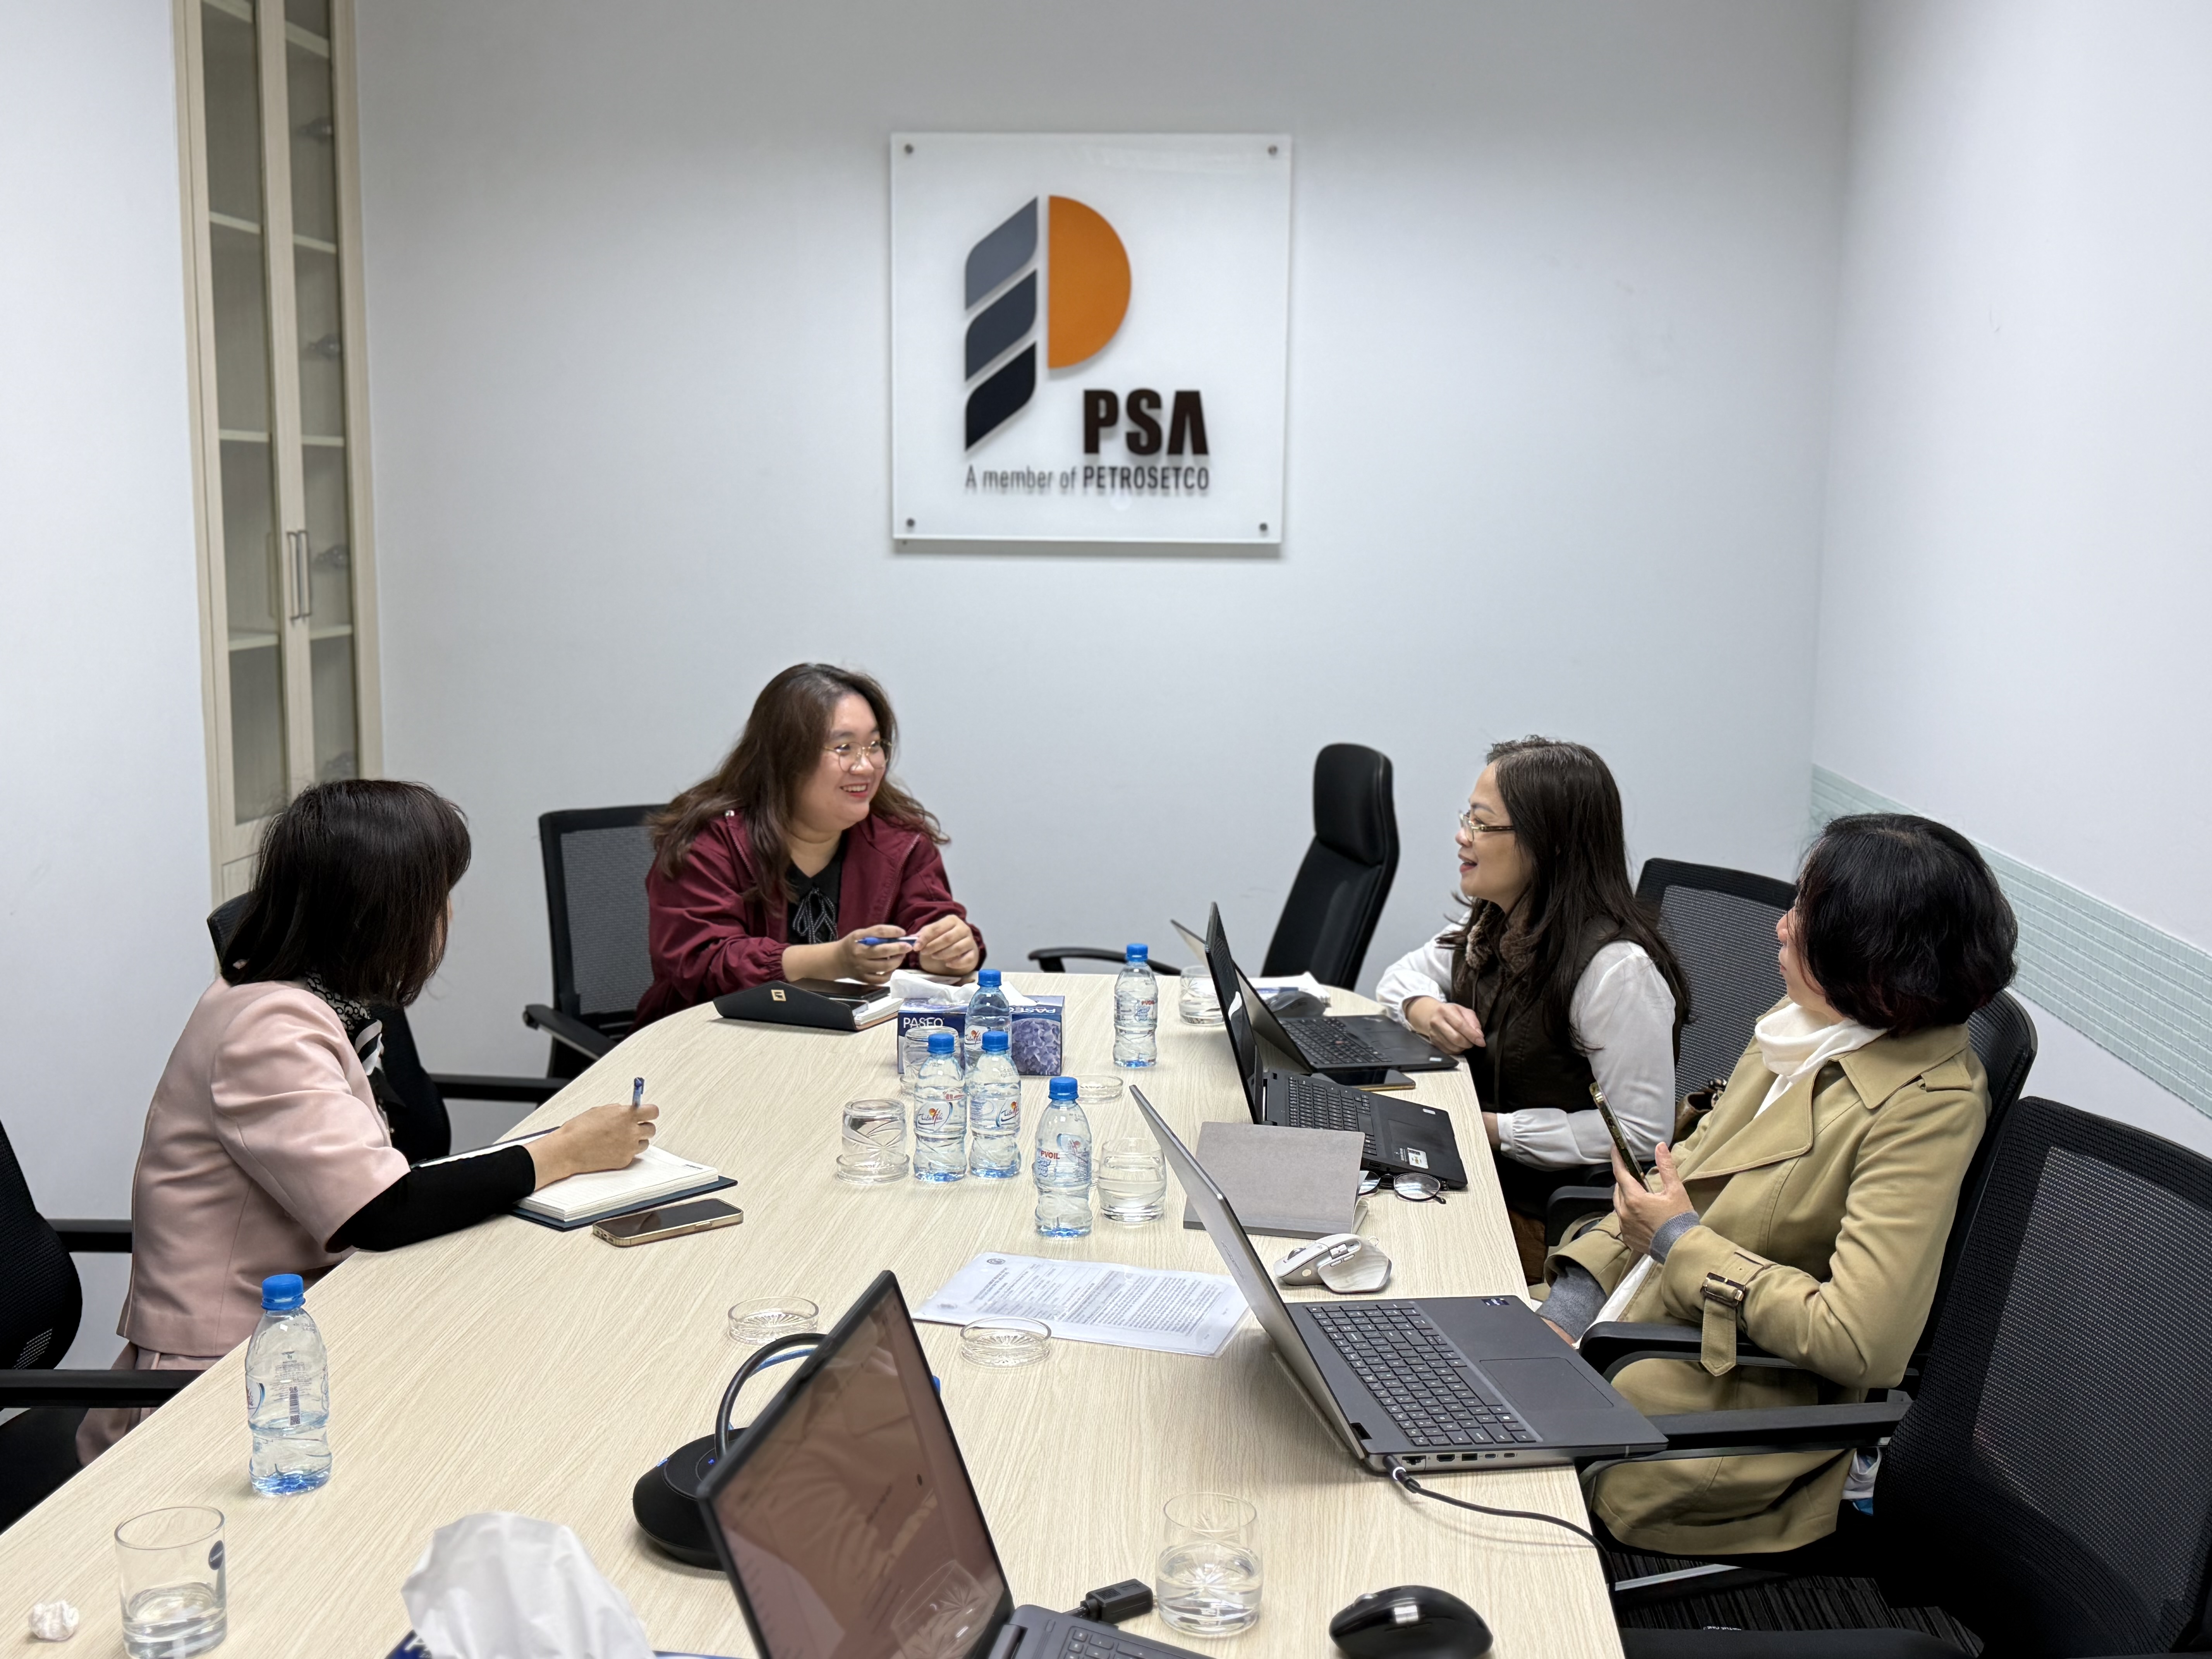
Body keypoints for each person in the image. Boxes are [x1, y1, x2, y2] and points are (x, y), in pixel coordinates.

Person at [79, 781, 657, 1462]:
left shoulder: (315, 998)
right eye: (437, 896)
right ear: (383, 914)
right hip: (229, 1384)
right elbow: (381, 1210)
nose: (447, 914)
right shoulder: (266, 1031)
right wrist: (564, 1151)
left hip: (310, 1328)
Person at [1541, 813, 2018, 1556]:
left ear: (1868, 952)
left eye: (1806, 911)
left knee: (1463, 1485)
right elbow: (1681, 1175)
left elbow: (1859, 1340)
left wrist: (1677, 1242)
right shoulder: (1800, 1022)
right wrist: (1566, 1308)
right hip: (1631, 1329)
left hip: (1717, 1404)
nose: (1781, 925)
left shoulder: (1928, 1107)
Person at [1375, 737, 1687, 1279]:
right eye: (1467, 819)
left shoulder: (1615, 971)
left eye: (1482, 824)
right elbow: (1401, 975)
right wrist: (1423, 1008)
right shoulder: (1496, 921)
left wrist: (1497, 1130)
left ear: (1550, 844)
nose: (1462, 836)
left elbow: (1639, 1132)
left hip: (1545, 1226)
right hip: (1475, 1181)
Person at [635, 664, 981, 1025]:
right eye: (844, 748)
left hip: (846, 1041)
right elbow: (701, 964)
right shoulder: (711, 840)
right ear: (788, 758)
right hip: (711, 1039)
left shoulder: (900, 840)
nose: (866, 766)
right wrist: (836, 960)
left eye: (874, 745)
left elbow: (927, 925)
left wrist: (947, 952)